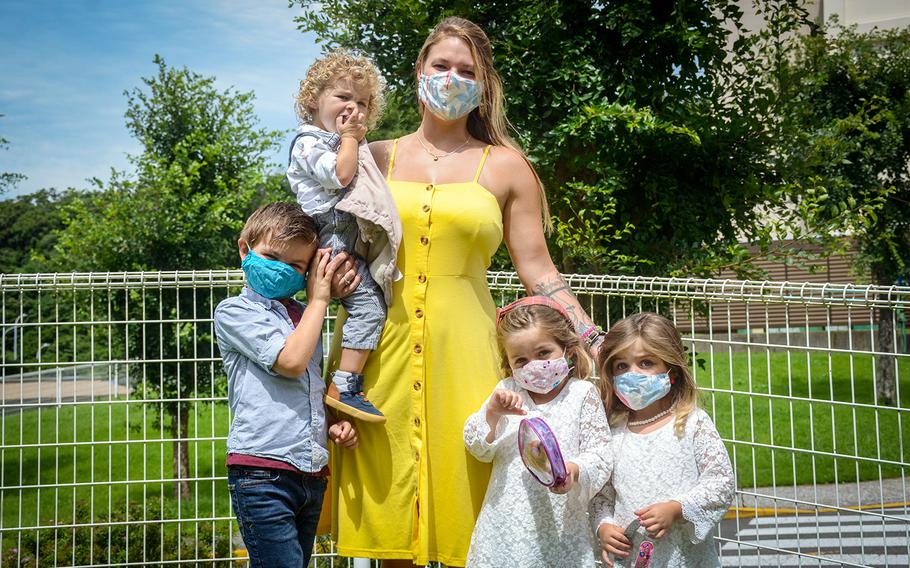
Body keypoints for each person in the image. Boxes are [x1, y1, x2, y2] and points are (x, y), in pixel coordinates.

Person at [330, 16, 606, 567]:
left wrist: (593, 339)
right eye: (441, 66)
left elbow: (539, 271)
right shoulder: (369, 156)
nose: (451, 78)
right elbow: (325, 233)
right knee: (392, 511)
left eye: (466, 71)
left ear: (482, 85)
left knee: (474, 499)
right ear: (418, 71)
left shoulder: (506, 165)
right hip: (378, 346)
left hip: (469, 352)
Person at [213, 203, 360, 567]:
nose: (281, 269)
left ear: (307, 272)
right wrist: (321, 298)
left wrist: (332, 421)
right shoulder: (234, 311)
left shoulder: (302, 316)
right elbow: (291, 363)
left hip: (309, 473)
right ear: (245, 249)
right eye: (271, 256)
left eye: (295, 266)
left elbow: (309, 387)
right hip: (262, 473)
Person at [288, 50, 400, 423]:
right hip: (331, 234)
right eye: (343, 97)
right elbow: (340, 175)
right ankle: (345, 385)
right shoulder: (308, 144)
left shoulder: (337, 139)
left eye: (363, 102)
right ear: (312, 101)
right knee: (369, 307)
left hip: (345, 234)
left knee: (367, 303)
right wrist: (351, 138)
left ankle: (344, 381)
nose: (354, 108)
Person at [462, 296, 612, 567]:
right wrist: (493, 414)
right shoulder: (507, 392)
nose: (534, 364)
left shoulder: (581, 394)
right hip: (507, 527)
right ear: (509, 365)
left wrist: (574, 470)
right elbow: (477, 448)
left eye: (543, 353)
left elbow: (601, 453)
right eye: (521, 360)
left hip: (562, 527)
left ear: (567, 350)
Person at [592, 312, 735, 567]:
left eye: (646, 363)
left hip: (685, 557)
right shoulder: (612, 434)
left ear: (672, 371)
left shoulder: (692, 423)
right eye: (621, 366)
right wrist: (604, 527)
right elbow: (601, 496)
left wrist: (677, 508)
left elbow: (721, 483)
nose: (632, 374)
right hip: (631, 557)